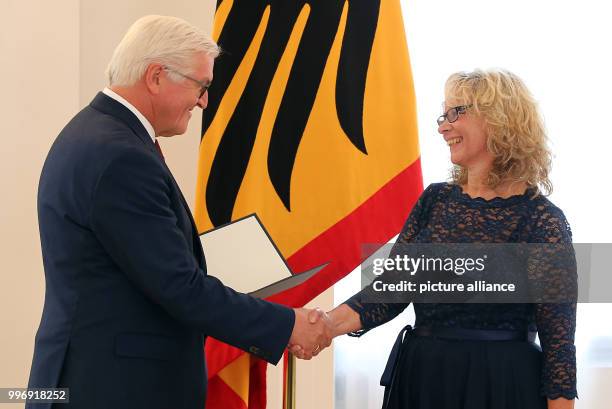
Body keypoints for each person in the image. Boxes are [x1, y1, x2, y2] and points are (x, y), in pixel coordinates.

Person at [27, 15, 331, 409]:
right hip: (112, 388)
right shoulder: (120, 155)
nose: (204, 100)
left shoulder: (95, 133)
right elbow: (178, 287)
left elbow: (139, 263)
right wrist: (287, 325)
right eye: (201, 85)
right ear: (156, 76)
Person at [298, 69, 577, 409]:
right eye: (443, 115)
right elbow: (390, 291)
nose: (443, 126)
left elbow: (559, 346)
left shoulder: (543, 220)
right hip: (423, 379)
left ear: (499, 118)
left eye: (456, 112)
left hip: (501, 386)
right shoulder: (435, 200)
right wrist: (326, 325)